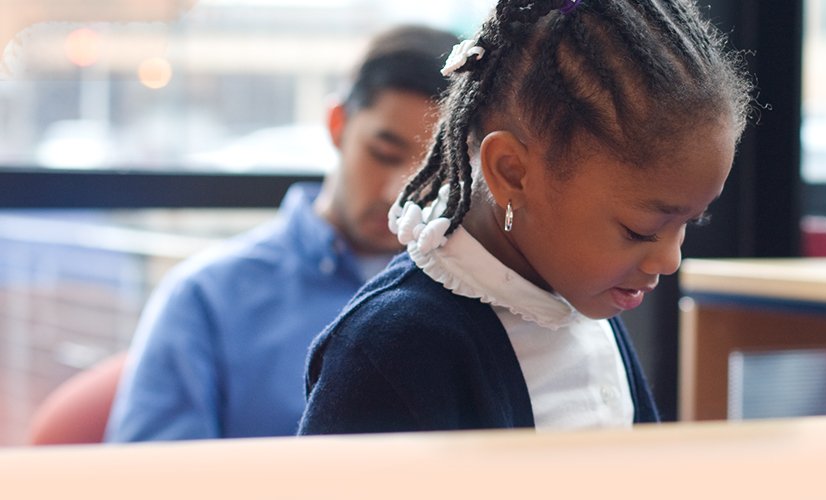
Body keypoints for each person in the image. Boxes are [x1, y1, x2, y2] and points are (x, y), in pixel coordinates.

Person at [297, 0, 751, 434]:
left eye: (691, 222)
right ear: (511, 172)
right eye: (641, 229)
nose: (669, 260)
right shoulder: (389, 348)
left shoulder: (578, 294)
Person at [106, 25, 457, 441]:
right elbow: (152, 478)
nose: (398, 192)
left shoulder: (466, 296)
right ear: (337, 123)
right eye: (383, 154)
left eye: (430, 172)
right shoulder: (207, 298)